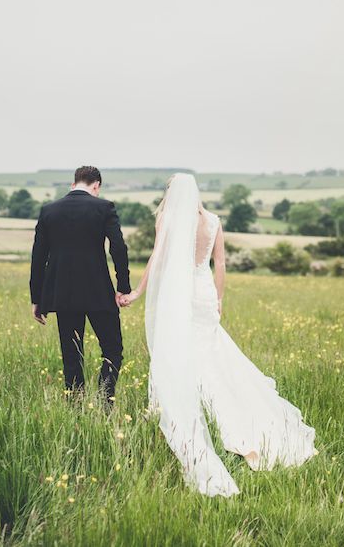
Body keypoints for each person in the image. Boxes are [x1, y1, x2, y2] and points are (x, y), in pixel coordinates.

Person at [121, 173, 317, 496]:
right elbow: (220, 263)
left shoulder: (168, 219)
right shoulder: (213, 221)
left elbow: (157, 258)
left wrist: (138, 292)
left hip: (180, 295)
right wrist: (219, 298)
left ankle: (187, 409)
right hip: (204, 292)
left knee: (180, 353)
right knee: (211, 351)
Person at [29, 165, 131, 408]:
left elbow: (38, 257)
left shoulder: (48, 211)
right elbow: (118, 248)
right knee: (112, 348)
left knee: (71, 352)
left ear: (73, 184)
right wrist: (123, 287)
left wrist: (37, 298)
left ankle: (74, 407)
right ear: (96, 186)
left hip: (62, 294)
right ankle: (105, 401)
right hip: (98, 292)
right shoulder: (104, 207)